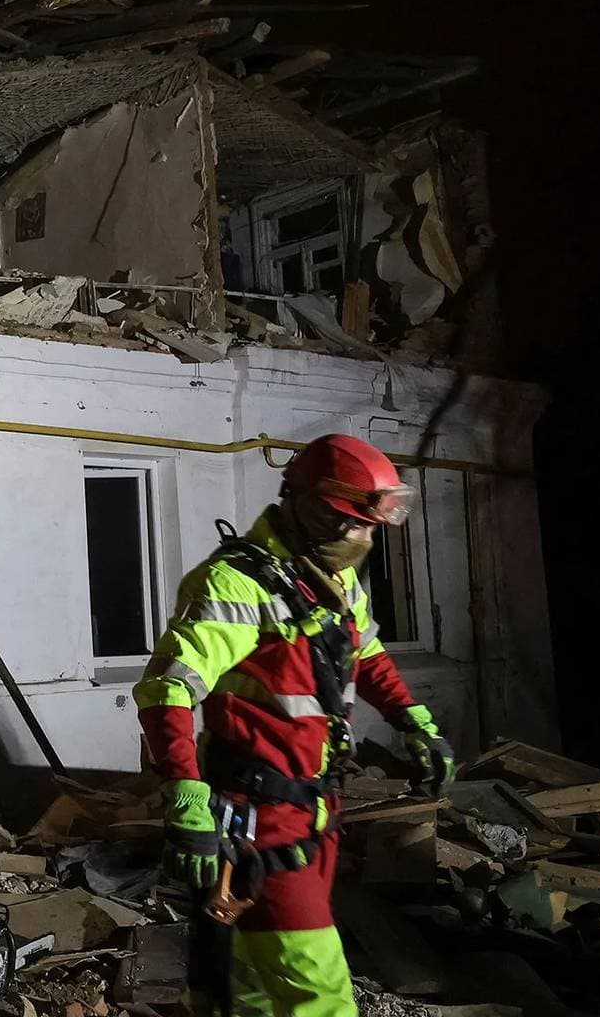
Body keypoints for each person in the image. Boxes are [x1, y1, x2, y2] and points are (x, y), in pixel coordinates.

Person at [134, 434, 457, 1017]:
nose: (364, 538)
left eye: (370, 526)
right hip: (260, 823)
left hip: (314, 811)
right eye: (355, 524)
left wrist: (413, 721)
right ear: (314, 509)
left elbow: (364, 651)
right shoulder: (235, 584)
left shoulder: (327, 579)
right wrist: (185, 793)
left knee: (246, 989)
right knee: (320, 997)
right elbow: (169, 689)